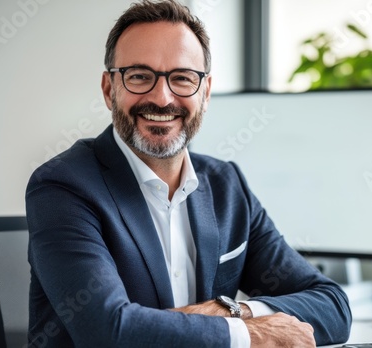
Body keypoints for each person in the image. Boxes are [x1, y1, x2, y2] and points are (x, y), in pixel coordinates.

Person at [25, 1, 352, 347]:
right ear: (109, 90)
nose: (162, 98)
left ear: (206, 92)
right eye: (139, 76)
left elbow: (332, 305)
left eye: (182, 78)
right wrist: (248, 334)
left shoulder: (227, 185)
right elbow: (109, 332)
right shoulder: (63, 187)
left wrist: (230, 311)